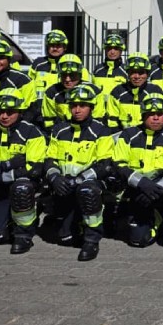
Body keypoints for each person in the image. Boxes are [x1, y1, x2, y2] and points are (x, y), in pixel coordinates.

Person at [43, 84, 116, 261]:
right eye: (73, 106)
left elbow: (105, 165)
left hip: (89, 183)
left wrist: (79, 180)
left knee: (88, 192)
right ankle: (70, 222)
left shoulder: (101, 130)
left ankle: (92, 240)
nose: (77, 110)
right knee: (65, 238)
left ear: (91, 107)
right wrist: (54, 177)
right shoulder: (59, 130)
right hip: (64, 185)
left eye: (82, 105)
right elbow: (49, 159)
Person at [113, 94, 163, 257]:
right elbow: (119, 164)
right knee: (138, 241)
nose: (156, 118)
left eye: (160, 114)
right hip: (138, 190)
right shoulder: (129, 135)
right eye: (151, 114)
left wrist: (158, 186)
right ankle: (158, 219)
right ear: (143, 115)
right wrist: (142, 184)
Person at [0, 88, 47, 253]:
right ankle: (10, 218)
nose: (4, 116)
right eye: (1, 111)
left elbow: (34, 170)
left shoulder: (32, 132)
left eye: (10, 112)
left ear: (19, 111)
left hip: (19, 185)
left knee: (22, 190)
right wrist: (7, 165)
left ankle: (24, 235)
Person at [42, 55, 119, 131]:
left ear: (80, 74)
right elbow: (49, 122)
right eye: (64, 75)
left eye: (72, 75)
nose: (67, 79)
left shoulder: (94, 91)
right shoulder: (51, 92)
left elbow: (98, 119)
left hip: (89, 133)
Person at [109, 52, 163, 128]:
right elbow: (112, 123)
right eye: (133, 72)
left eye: (141, 73)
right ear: (127, 73)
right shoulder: (117, 91)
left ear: (147, 74)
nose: (137, 76)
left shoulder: (156, 91)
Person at [28, 29, 76, 100]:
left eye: (58, 45)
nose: (55, 48)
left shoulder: (73, 63)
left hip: (62, 106)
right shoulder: (38, 64)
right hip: (39, 106)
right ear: (47, 47)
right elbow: (29, 87)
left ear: (64, 47)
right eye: (52, 45)